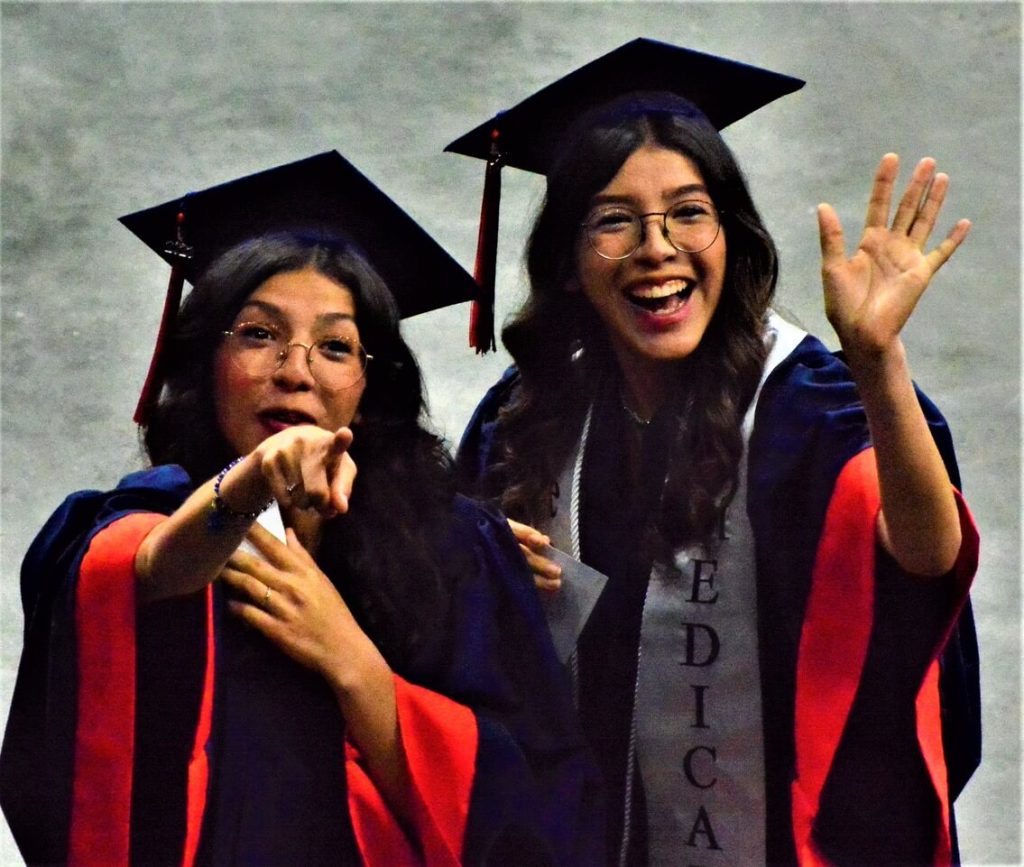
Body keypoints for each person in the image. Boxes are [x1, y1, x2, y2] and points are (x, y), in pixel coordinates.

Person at [453, 41, 981, 866]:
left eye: (689, 212)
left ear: (730, 236)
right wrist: (486, 580)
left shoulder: (817, 403)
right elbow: (458, 654)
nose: (656, 246)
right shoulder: (521, 419)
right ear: (566, 261)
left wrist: (879, 362)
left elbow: (928, 556)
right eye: (613, 219)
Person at [0, 152, 602, 866]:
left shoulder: (458, 555)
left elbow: (546, 809)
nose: (295, 370)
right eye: (258, 334)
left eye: (336, 346)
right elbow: (144, 575)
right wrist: (254, 483)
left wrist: (355, 666)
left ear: (370, 384)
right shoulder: (132, 523)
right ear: (204, 361)